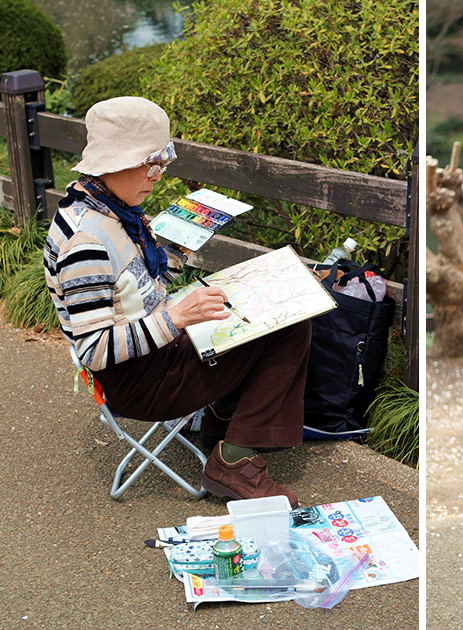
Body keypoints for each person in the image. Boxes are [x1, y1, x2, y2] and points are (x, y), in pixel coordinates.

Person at [43, 96, 311, 505]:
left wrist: (177, 249)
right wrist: (178, 317)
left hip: (156, 355)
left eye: (162, 164)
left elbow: (137, 286)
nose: (158, 175)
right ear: (115, 163)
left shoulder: (105, 207)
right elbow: (94, 350)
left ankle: (222, 421)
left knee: (274, 309)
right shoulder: (87, 243)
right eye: (151, 164)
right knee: (292, 325)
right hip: (141, 381)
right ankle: (233, 461)